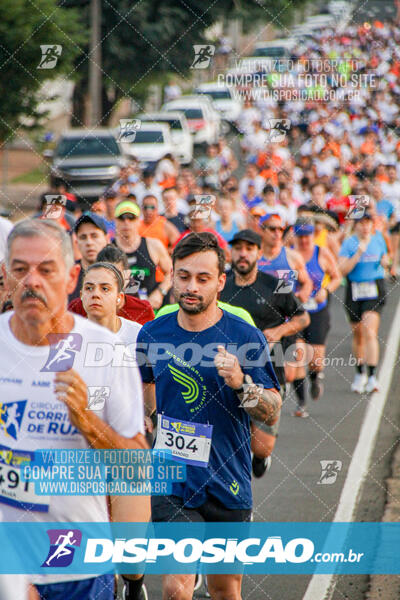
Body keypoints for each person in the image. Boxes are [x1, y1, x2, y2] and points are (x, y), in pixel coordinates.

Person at [0, 219, 147, 600]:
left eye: (46, 270)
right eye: (20, 269)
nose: (32, 281)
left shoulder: (104, 351)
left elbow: (135, 467)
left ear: (69, 278)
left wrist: (86, 420)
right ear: (5, 275)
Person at [137, 232, 281, 600]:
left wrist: (241, 383)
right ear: (172, 276)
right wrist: (149, 419)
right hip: (173, 480)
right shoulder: (152, 334)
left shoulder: (245, 336)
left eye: (203, 279)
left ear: (220, 281)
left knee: (225, 590)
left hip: (228, 479)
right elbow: (145, 388)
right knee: (175, 587)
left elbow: (272, 409)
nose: (191, 287)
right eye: (183, 276)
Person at [80, 261, 149, 600]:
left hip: (127, 448)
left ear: (120, 298)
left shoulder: (137, 336)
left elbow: (153, 386)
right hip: (85, 449)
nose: (96, 295)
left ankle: (134, 584)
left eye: (105, 289)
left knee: (128, 546)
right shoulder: (69, 339)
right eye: (89, 288)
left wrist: (150, 418)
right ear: (80, 294)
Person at [220, 229, 310, 474]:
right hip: (227, 375)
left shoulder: (275, 284)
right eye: (238, 248)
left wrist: (279, 332)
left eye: (249, 249)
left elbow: (302, 319)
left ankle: (259, 458)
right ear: (231, 252)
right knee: (230, 443)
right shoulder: (221, 284)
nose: (243, 254)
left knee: (260, 447)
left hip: (266, 375)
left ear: (259, 253)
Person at [292, 220, 342, 416]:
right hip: (296, 311)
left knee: (315, 359)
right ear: (295, 236)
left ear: (313, 235)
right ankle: (301, 402)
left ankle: (315, 378)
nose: (304, 240)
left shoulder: (321, 253)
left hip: (317, 310)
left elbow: (336, 276)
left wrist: (326, 290)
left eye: (307, 236)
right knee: (297, 355)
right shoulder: (289, 254)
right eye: (300, 236)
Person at [338, 212, 389, 394]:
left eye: (368, 223)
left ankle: (373, 376)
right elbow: (341, 270)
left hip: (374, 289)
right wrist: (358, 253)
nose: (365, 227)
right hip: (354, 289)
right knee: (358, 334)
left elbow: (386, 257)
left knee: (369, 331)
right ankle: (360, 373)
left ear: (372, 225)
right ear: (356, 226)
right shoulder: (349, 243)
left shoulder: (378, 239)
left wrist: (386, 262)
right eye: (361, 223)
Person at [68, 244, 155, 325]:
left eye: (117, 274)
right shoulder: (77, 308)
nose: (111, 280)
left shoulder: (143, 309)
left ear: (127, 275)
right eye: (104, 275)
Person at [114, 200, 172, 309]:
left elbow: (171, 272)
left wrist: (160, 292)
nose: (126, 222)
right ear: (115, 221)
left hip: (150, 308)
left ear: (138, 221)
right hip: (120, 311)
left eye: (131, 218)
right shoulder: (108, 248)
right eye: (122, 218)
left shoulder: (153, 245)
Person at [68, 212, 109, 302]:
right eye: (83, 237)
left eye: (94, 236)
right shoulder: (68, 274)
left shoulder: (119, 273)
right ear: (76, 242)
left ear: (107, 239)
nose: (89, 242)